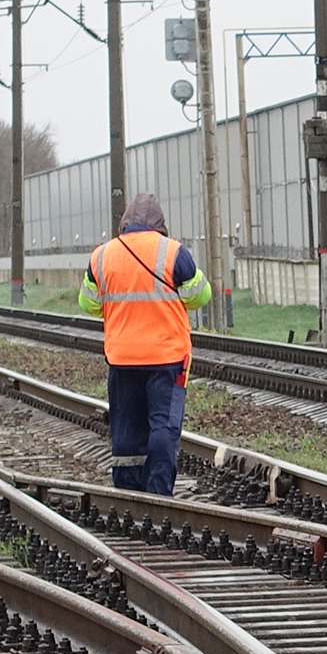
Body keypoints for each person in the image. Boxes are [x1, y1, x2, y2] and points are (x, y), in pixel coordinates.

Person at [78, 193, 213, 495]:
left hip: (122, 357)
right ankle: (158, 493)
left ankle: (129, 494)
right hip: (167, 358)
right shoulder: (174, 252)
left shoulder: (102, 256)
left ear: (124, 224)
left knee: (126, 429)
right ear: (160, 225)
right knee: (163, 427)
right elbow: (199, 296)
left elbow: (88, 304)